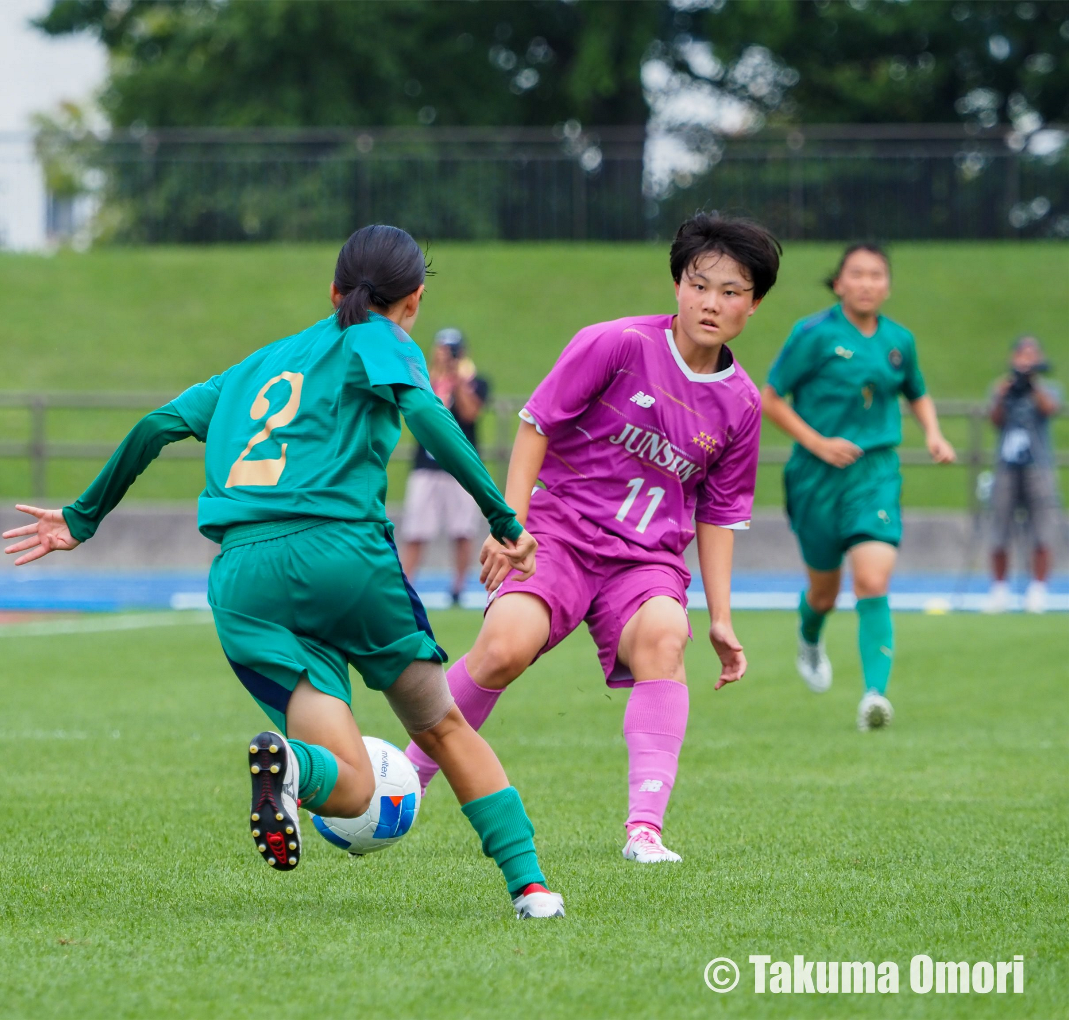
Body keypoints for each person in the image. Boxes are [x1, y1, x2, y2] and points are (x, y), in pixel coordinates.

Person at [3, 225, 566, 919]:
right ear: (413, 302)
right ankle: (531, 887)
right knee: (443, 728)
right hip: (342, 559)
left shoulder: (255, 368)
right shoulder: (381, 336)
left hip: (245, 582)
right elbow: (426, 411)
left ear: (332, 292)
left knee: (352, 787)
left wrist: (83, 516)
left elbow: (156, 425)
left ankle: (295, 771)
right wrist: (506, 520)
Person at [405, 212, 778, 865]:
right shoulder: (616, 343)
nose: (712, 303)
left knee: (667, 636)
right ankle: (404, 786)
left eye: (731, 291)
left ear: (754, 304)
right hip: (560, 534)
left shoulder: (743, 403)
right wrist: (510, 524)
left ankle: (645, 831)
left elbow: (718, 513)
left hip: (645, 562)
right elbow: (535, 425)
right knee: (501, 648)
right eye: (700, 284)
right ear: (677, 285)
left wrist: (720, 617)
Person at [761, 243, 956, 731]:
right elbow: (770, 397)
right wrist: (819, 442)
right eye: (857, 274)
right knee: (824, 594)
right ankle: (810, 635)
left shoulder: (899, 341)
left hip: (876, 474)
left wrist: (933, 433)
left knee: (872, 580)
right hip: (816, 476)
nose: (867, 283)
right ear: (840, 283)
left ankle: (875, 696)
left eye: (877, 275)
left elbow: (917, 390)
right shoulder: (813, 334)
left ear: (887, 285)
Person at [399, 328, 491, 603]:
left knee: (461, 530)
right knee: (416, 529)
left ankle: (458, 587)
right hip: (426, 464)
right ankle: (406, 583)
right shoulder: (425, 378)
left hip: (460, 467)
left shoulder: (476, 381)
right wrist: (439, 377)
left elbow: (470, 412)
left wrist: (458, 381)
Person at [986, 335, 1061, 614]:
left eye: (1032, 356)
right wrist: (1004, 393)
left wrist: (1033, 385)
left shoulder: (1047, 388)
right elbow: (994, 420)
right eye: (1022, 355)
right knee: (999, 528)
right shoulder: (1002, 387)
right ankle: (999, 590)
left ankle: (1038, 590)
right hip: (1006, 465)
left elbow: (1050, 409)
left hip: (1037, 465)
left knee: (1042, 528)